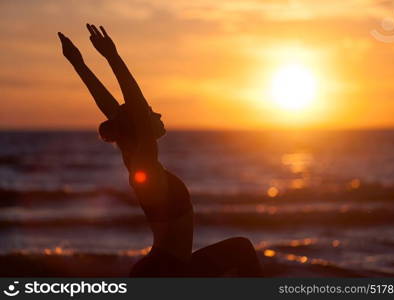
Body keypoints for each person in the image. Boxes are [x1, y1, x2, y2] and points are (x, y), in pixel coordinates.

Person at [58, 24, 263, 277]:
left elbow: (112, 108)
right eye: (151, 112)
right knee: (242, 249)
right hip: (166, 271)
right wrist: (113, 56)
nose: (158, 114)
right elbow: (136, 106)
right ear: (141, 124)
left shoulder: (134, 158)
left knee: (241, 248)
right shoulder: (145, 165)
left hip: (172, 267)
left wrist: (78, 63)